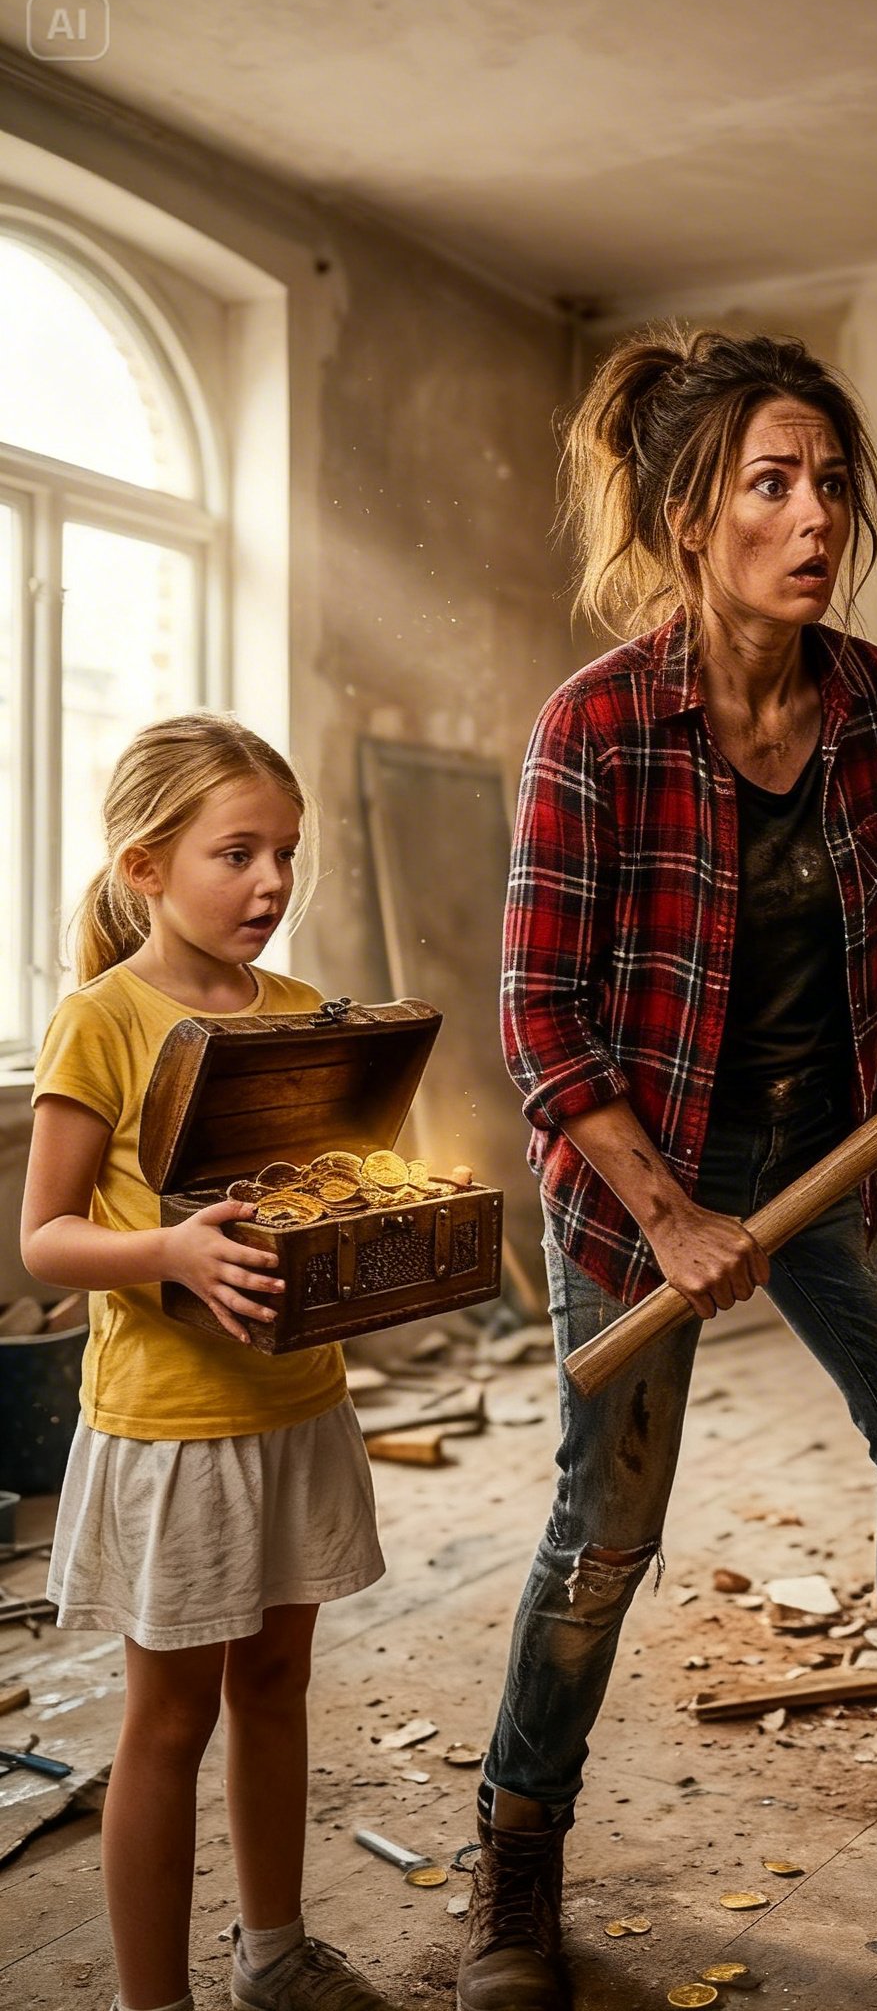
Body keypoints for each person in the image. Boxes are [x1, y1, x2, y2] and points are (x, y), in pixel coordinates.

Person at [461, 328, 877, 2008]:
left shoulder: (873, 702)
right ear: (694, 517)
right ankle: (516, 1850)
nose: (814, 512)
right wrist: (670, 1215)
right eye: (772, 481)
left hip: (826, 1147)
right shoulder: (598, 727)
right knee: (605, 1527)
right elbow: (541, 1023)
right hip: (643, 1173)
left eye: (830, 480)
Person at [19, 716, 394, 2011]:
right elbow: (46, 1240)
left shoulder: (302, 1013)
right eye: (236, 853)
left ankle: (273, 1951)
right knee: (168, 1726)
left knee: (278, 1686)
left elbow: (325, 1189)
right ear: (144, 866)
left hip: (298, 1406)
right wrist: (169, 1254)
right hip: (172, 1432)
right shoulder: (103, 1020)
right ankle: (152, 2001)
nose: (272, 883)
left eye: (285, 853)